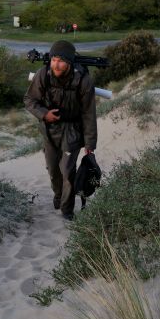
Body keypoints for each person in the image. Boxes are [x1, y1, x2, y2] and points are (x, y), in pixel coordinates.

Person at [24, 40, 98, 221]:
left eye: (61, 61)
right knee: (52, 170)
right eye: (54, 59)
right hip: (49, 130)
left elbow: (89, 113)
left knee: (67, 171)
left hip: (72, 131)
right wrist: (44, 114)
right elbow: (29, 100)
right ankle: (58, 196)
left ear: (70, 62)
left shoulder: (83, 80)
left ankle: (67, 210)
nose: (56, 64)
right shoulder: (43, 74)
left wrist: (90, 144)